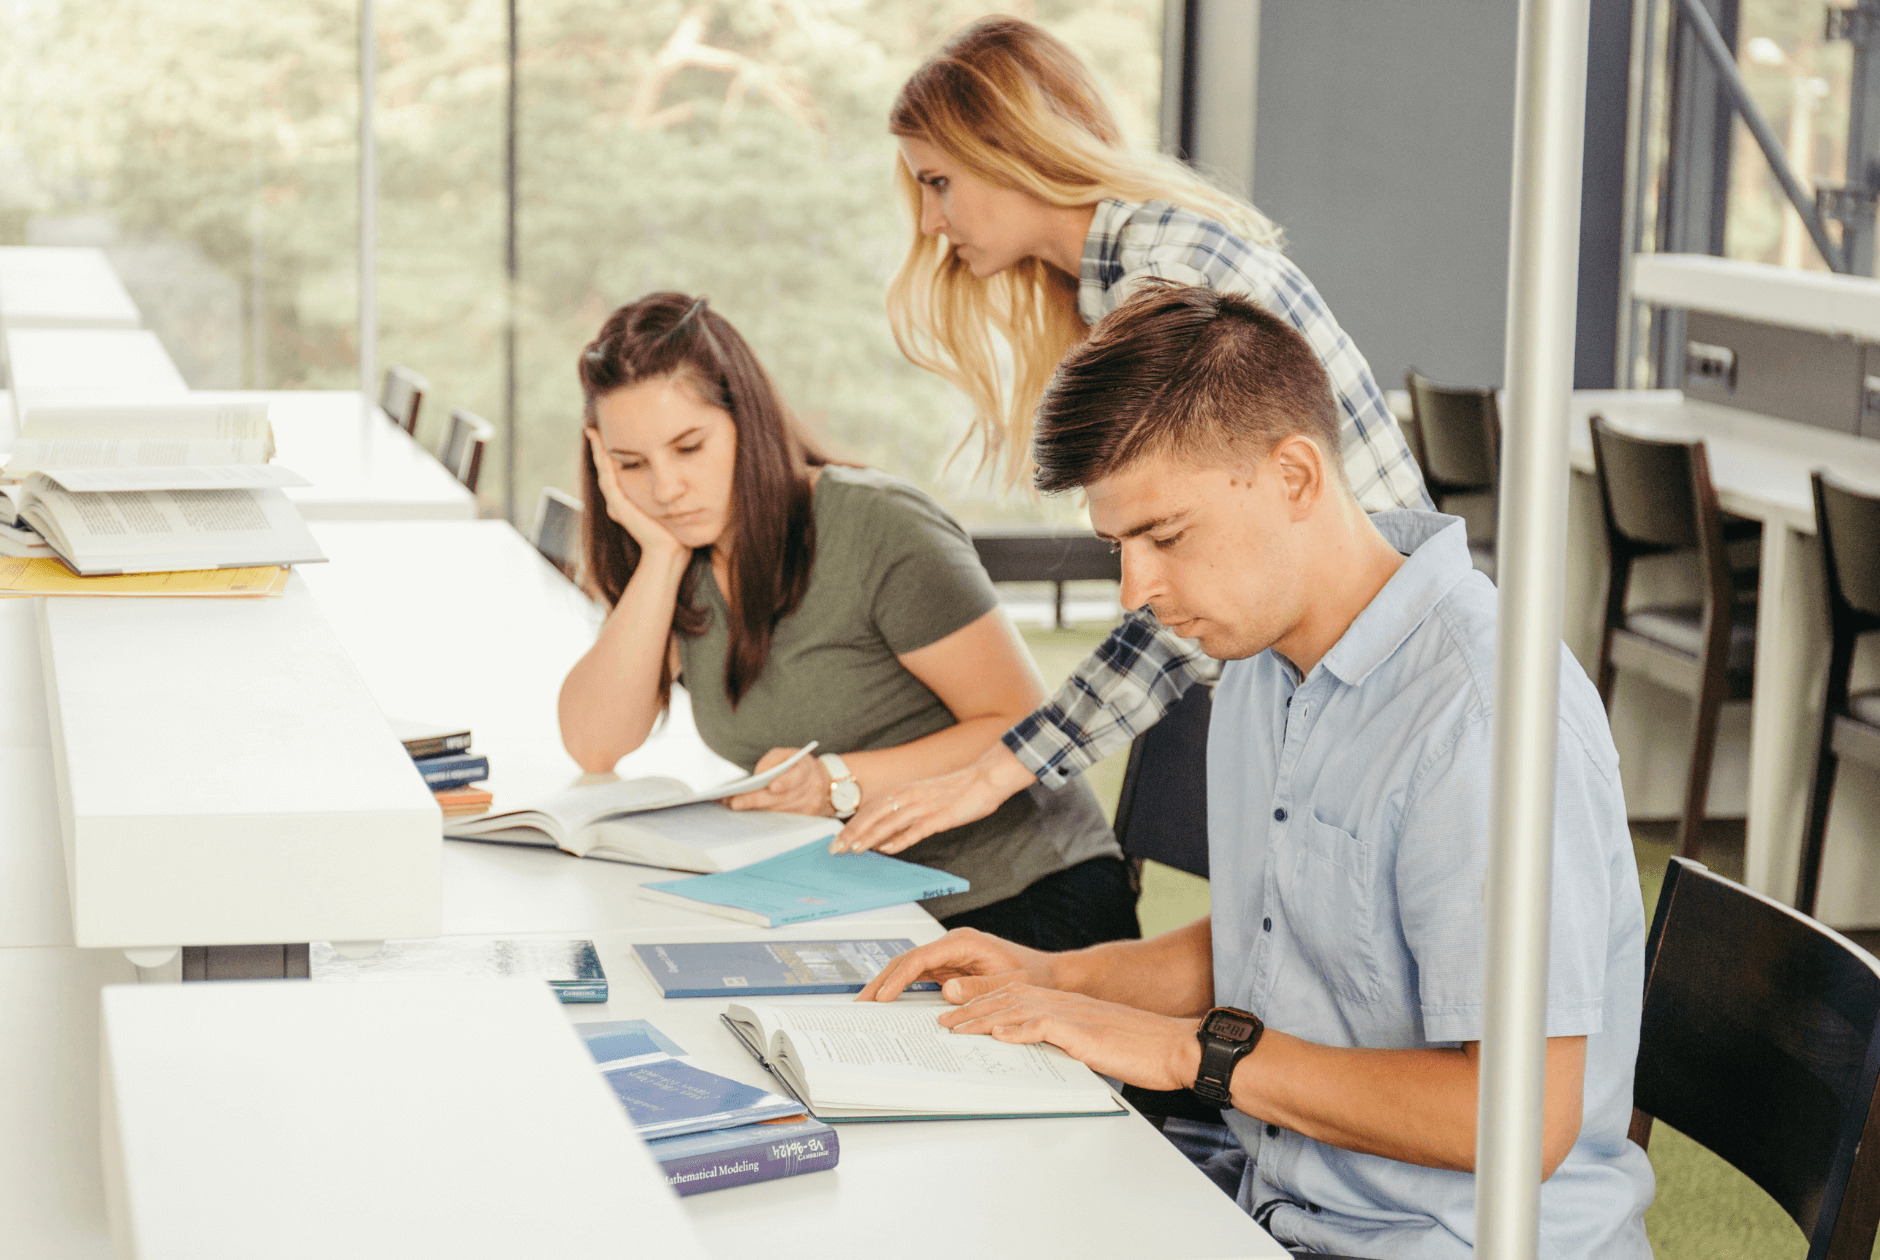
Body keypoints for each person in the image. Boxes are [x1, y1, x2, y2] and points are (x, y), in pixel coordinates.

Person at [860, 282, 1654, 1259]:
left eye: (1164, 535)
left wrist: (1182, 1052)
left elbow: (1516, 1121)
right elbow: (1281, 934)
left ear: (1292, 477)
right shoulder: (1256, 664)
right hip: (1265, 1200)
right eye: (1118, 545)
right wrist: (1054, 979)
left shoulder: (1480, 717)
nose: (1134, 590)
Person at [838, 15, 1431, 859]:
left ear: (1010, 148)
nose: (932, 223)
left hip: (1373, 681)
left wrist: (1003, 767)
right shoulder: (1125, 272)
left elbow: (1189, 574)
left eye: (938, 182)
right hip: (1326, 672)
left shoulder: (1163, 274)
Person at [555, 291, 1131, 950]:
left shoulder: (878, 526)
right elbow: (594, 744)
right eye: (631, 465)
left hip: (1020, 898)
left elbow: (1025, 723)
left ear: (749, 421)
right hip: (852, 898)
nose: (665, 488)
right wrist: (658, 556)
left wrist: (836, 781)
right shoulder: (678, 554)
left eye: (689, 447)